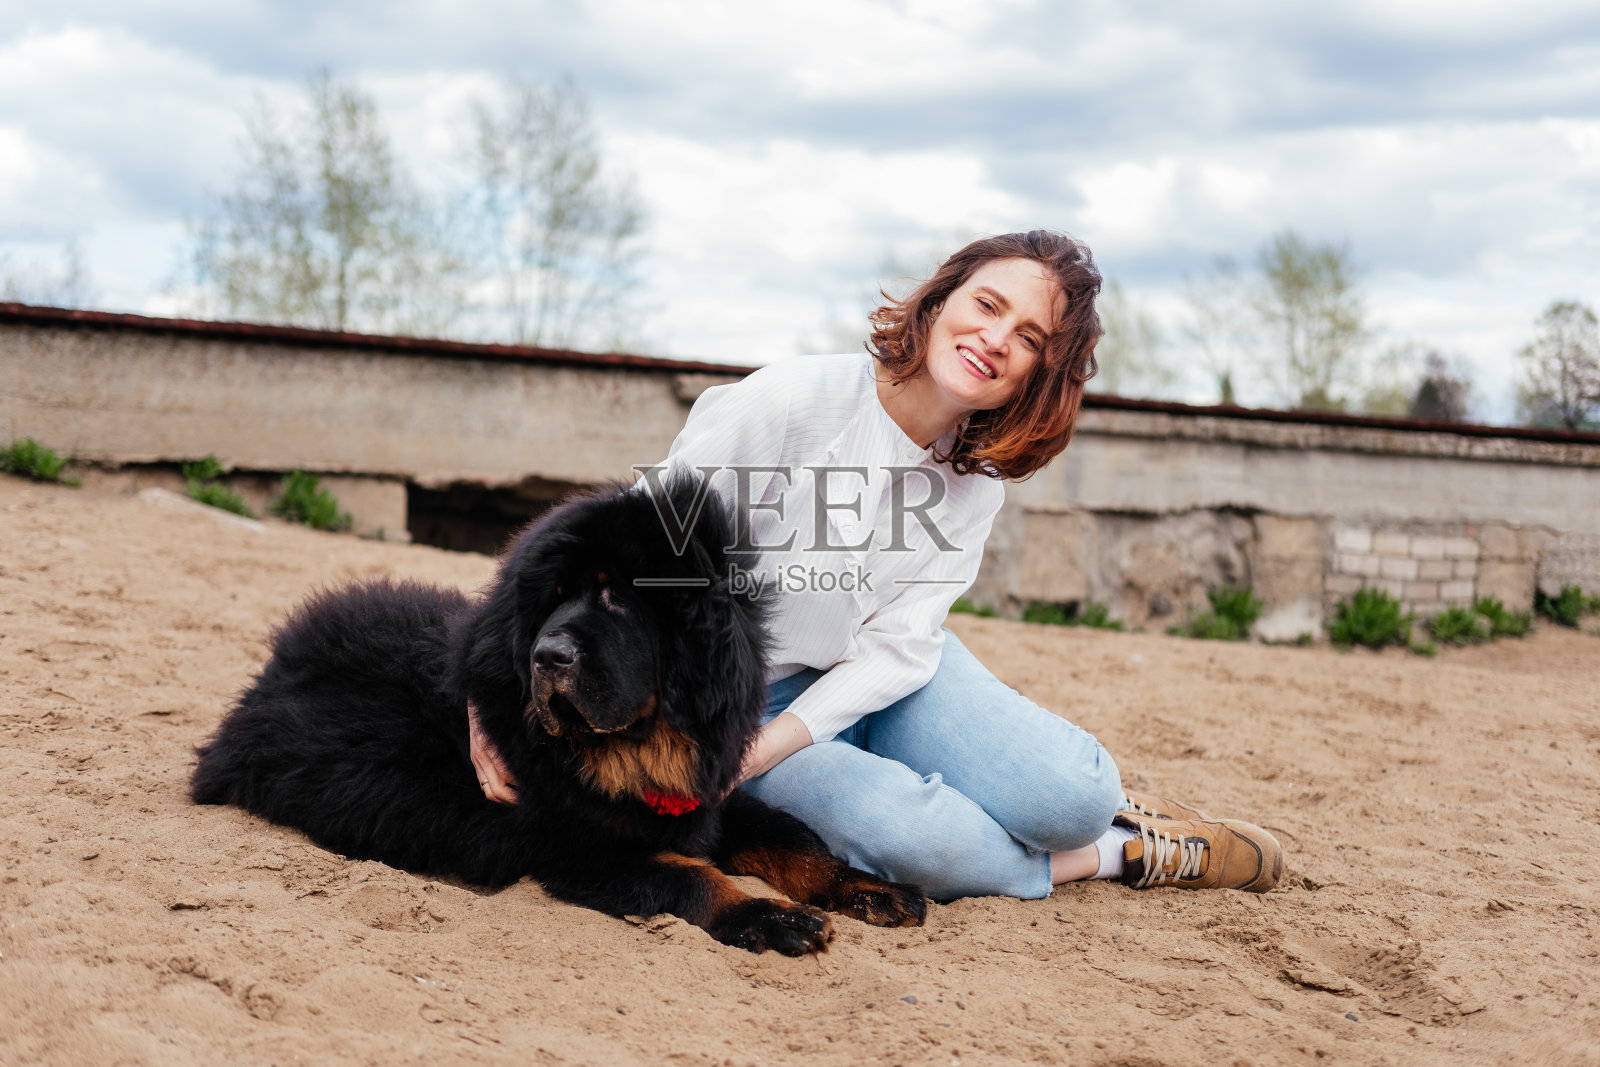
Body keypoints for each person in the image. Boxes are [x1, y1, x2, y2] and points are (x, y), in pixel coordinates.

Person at [470, 230, 1282, 901]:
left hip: (888, 682)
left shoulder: (974, 492)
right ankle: (1114, 857)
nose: (996, 339)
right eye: (988, 305)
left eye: (1029, 338)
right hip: (736, 703)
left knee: (1072, 794)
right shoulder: (788, 405)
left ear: (1040, 373)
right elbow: (616, 553)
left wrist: (786, 739)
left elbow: (898, 649)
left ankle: (1117, 817)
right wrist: (492, 701)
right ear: (939, 302)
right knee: (930, 845)